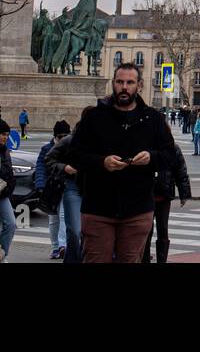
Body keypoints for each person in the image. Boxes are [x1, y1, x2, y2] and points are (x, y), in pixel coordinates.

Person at [66, 62, 174, 262]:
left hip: (137, 209)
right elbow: (74, 155)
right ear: (113, 84)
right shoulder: (94, 116)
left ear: (139, 85)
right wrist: (101, 162)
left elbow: (170, 155)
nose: (124, 87)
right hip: (98, 209)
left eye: (130, 82)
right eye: (120, 82)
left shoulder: (154, 118)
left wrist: (151, 158)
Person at [142, 133, 191, 263]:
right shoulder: (145, 148)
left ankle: (161, 260)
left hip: (164, 194)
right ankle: (145, 258)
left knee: (162, 228)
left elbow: (181, 170)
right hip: (146, 195)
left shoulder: (173, 148)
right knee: (146, 229)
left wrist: (184, 193)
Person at [45, 114, 87, 264]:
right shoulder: (69, 141)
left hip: (93, 190)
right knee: (74, 229)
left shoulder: (101, 140)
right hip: (73, 188)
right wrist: (65, 168)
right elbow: (48, 159)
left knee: (89, 231)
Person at [36, 120, 72, 259]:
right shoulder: (47, 149)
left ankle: (63, 246)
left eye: (65, 136)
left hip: (67, 186)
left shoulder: (72, 147)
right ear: (55, 136)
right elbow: (40, 168)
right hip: (52, 188)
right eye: (59, 137)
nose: (62, 139)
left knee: (64, 216)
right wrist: (40, 185)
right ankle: (56, 247)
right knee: (53, 219)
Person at [0, 118, 17, 259]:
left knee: (10, 225)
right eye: (3, 134)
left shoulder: (4, 148)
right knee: (5, 225)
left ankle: (0, 255)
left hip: (4, 194)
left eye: (7, 134)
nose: (6, 137)